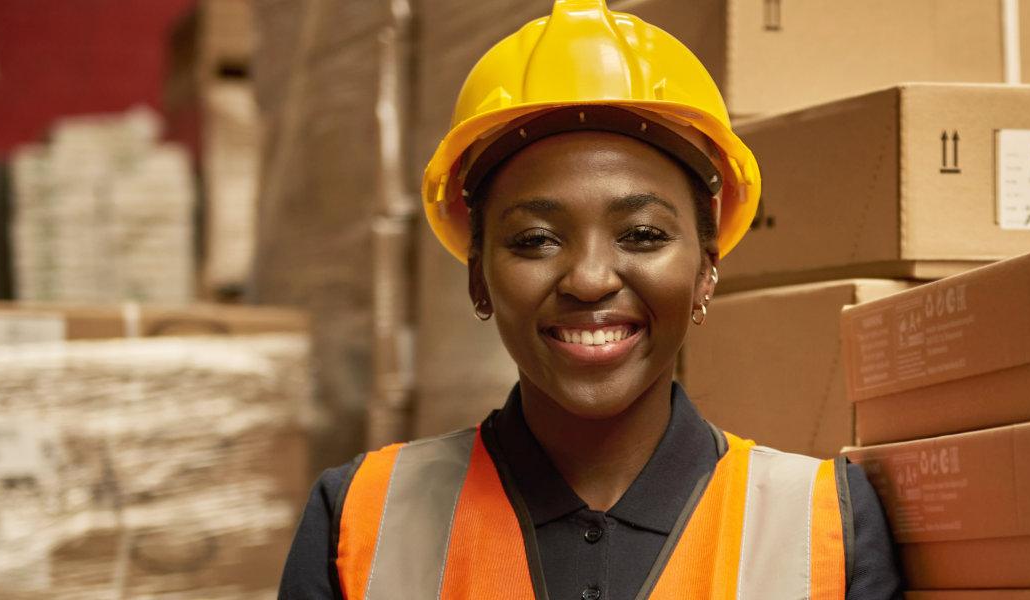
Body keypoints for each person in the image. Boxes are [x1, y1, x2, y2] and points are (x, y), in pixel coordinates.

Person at [278, 1, 903, 598]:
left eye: (643, 235)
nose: (590, 278)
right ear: (478, 279)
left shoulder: (825, 526)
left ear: (706, 272)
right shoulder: (358, 519)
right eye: (535, 240)